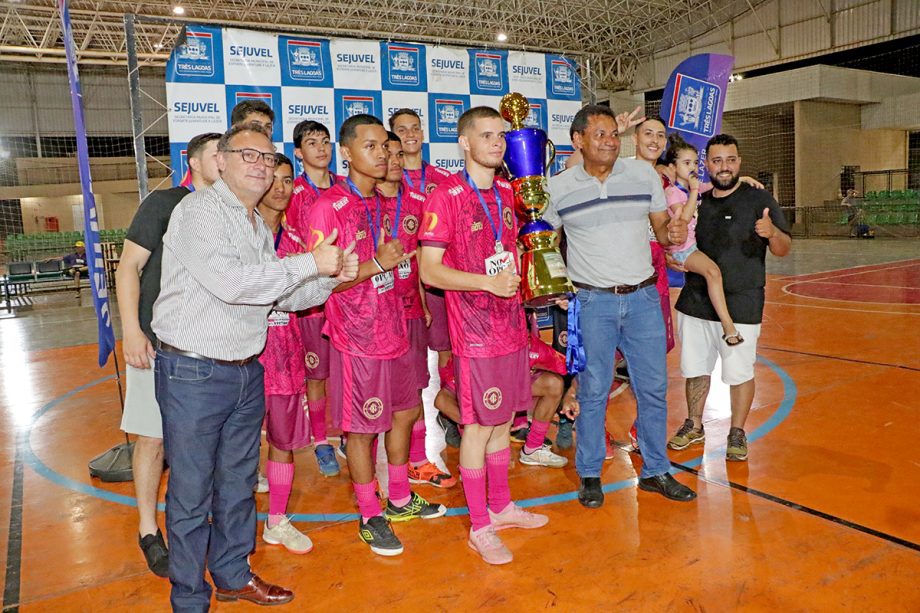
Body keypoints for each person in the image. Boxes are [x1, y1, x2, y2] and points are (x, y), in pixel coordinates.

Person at [152, 122, 355, 609]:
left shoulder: (254, 224)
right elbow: (232, 282)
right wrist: (310, 262)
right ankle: (189, 597)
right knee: (191, 492)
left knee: (239, 485)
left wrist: (331, 277)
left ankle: (231, 573)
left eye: (268, 159)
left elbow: (281, 293)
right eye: (250, 156)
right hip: (194, 372)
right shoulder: (198, 211)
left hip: (245, 368)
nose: (263, 166)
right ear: (220, 161)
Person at [306, 114, 446, 559]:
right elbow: (318, 282)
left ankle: (401, 498)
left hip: (396, 327)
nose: (383, 153)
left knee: (405, 413)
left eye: (384, 147)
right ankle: (370, 513)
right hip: (356, 336)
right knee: (361, 430)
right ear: (346, 154)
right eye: (371, 147)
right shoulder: (328, 206)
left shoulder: (384, 203)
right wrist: (378, 265)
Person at [544, 105, 697, 509]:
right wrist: (556, 284)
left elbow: (663, 231)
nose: (611, 141)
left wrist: (674, 231)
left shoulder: (642, 174)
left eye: (614, 134)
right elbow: (543, 246)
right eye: (600, 134)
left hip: (644, 297)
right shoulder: (557, 188)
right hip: (592, 302)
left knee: (654, 389)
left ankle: (655, 471)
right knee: (593, 391)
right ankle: (590, 473)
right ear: (578, 140)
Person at [420, 106, 549, 566]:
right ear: (464, 143)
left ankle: (501, 506)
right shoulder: (445, 196)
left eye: (502, 135)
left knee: (500, 426)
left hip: (511, 328)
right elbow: (429, 270)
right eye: (487, 135)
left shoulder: (507, 194)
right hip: (474, 335)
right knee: (476, 428)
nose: (498, 143)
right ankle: (479, 526)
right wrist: (486, 283)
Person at [116, 131, 221, 578]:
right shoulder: (165, 204)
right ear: (193, 162)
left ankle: (200, 523)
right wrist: (133, 332)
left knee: (203, 444)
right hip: (157, 347)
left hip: (208, 349)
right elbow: (128, 268)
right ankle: (147, 528)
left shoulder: (231, 213)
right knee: (153, 438)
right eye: (218, 153)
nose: (226, 160)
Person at [670, 134, 791, 459]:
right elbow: (676, 236)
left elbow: (783, 249)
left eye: (731, 160)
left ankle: (737, 432)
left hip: (743, 303)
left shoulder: (757, 198)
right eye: (717, 160)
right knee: (695, 369)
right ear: (706, 164)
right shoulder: (699, 199)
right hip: (696, 302)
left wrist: (773, 232)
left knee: (740, 372)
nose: (724, 167)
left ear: (739, 162)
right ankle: (694, 424)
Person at [379, 131, 456, 488]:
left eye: (398, 154)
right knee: (377, 395)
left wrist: (424, 304)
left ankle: (418, 459)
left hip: (410, 310)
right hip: (373, 317)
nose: (394, 160)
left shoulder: (416, 202)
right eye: (387, 153)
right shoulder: (363, 202)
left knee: (414, 388)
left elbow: (423, 258)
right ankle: (368, 473)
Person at [254, 153, 319, 554]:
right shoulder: (241, 234)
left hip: (283, 357)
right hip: (240, 357)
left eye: (287, 180)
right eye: (273, 179)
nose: (281, 187)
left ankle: (276, 520)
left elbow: (308, 296)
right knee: (233, 444)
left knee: (283, 441)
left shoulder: (297, 241)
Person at [288, 119, 342, 477]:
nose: (321, 148)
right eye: (312, 142)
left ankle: (354, 435)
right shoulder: (291, 194)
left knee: (350, 370)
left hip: (351, 295)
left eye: (325, 141)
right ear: (298, 152)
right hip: (312, 299)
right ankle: (322, 442)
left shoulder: (347, 188)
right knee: (317, 375)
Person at [662, 133, 743, 345]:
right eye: (686, 163)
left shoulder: (691, 189)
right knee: (713, 272)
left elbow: (718, 185)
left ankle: (722, 322)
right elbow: (684, 218)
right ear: (673, 167)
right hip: (682, 249)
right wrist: (695, 190)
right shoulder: (673, 192)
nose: (693, 167)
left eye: (696, 162)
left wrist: (744, 179)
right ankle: (728, 325)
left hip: (692, 246)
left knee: (715, 273)